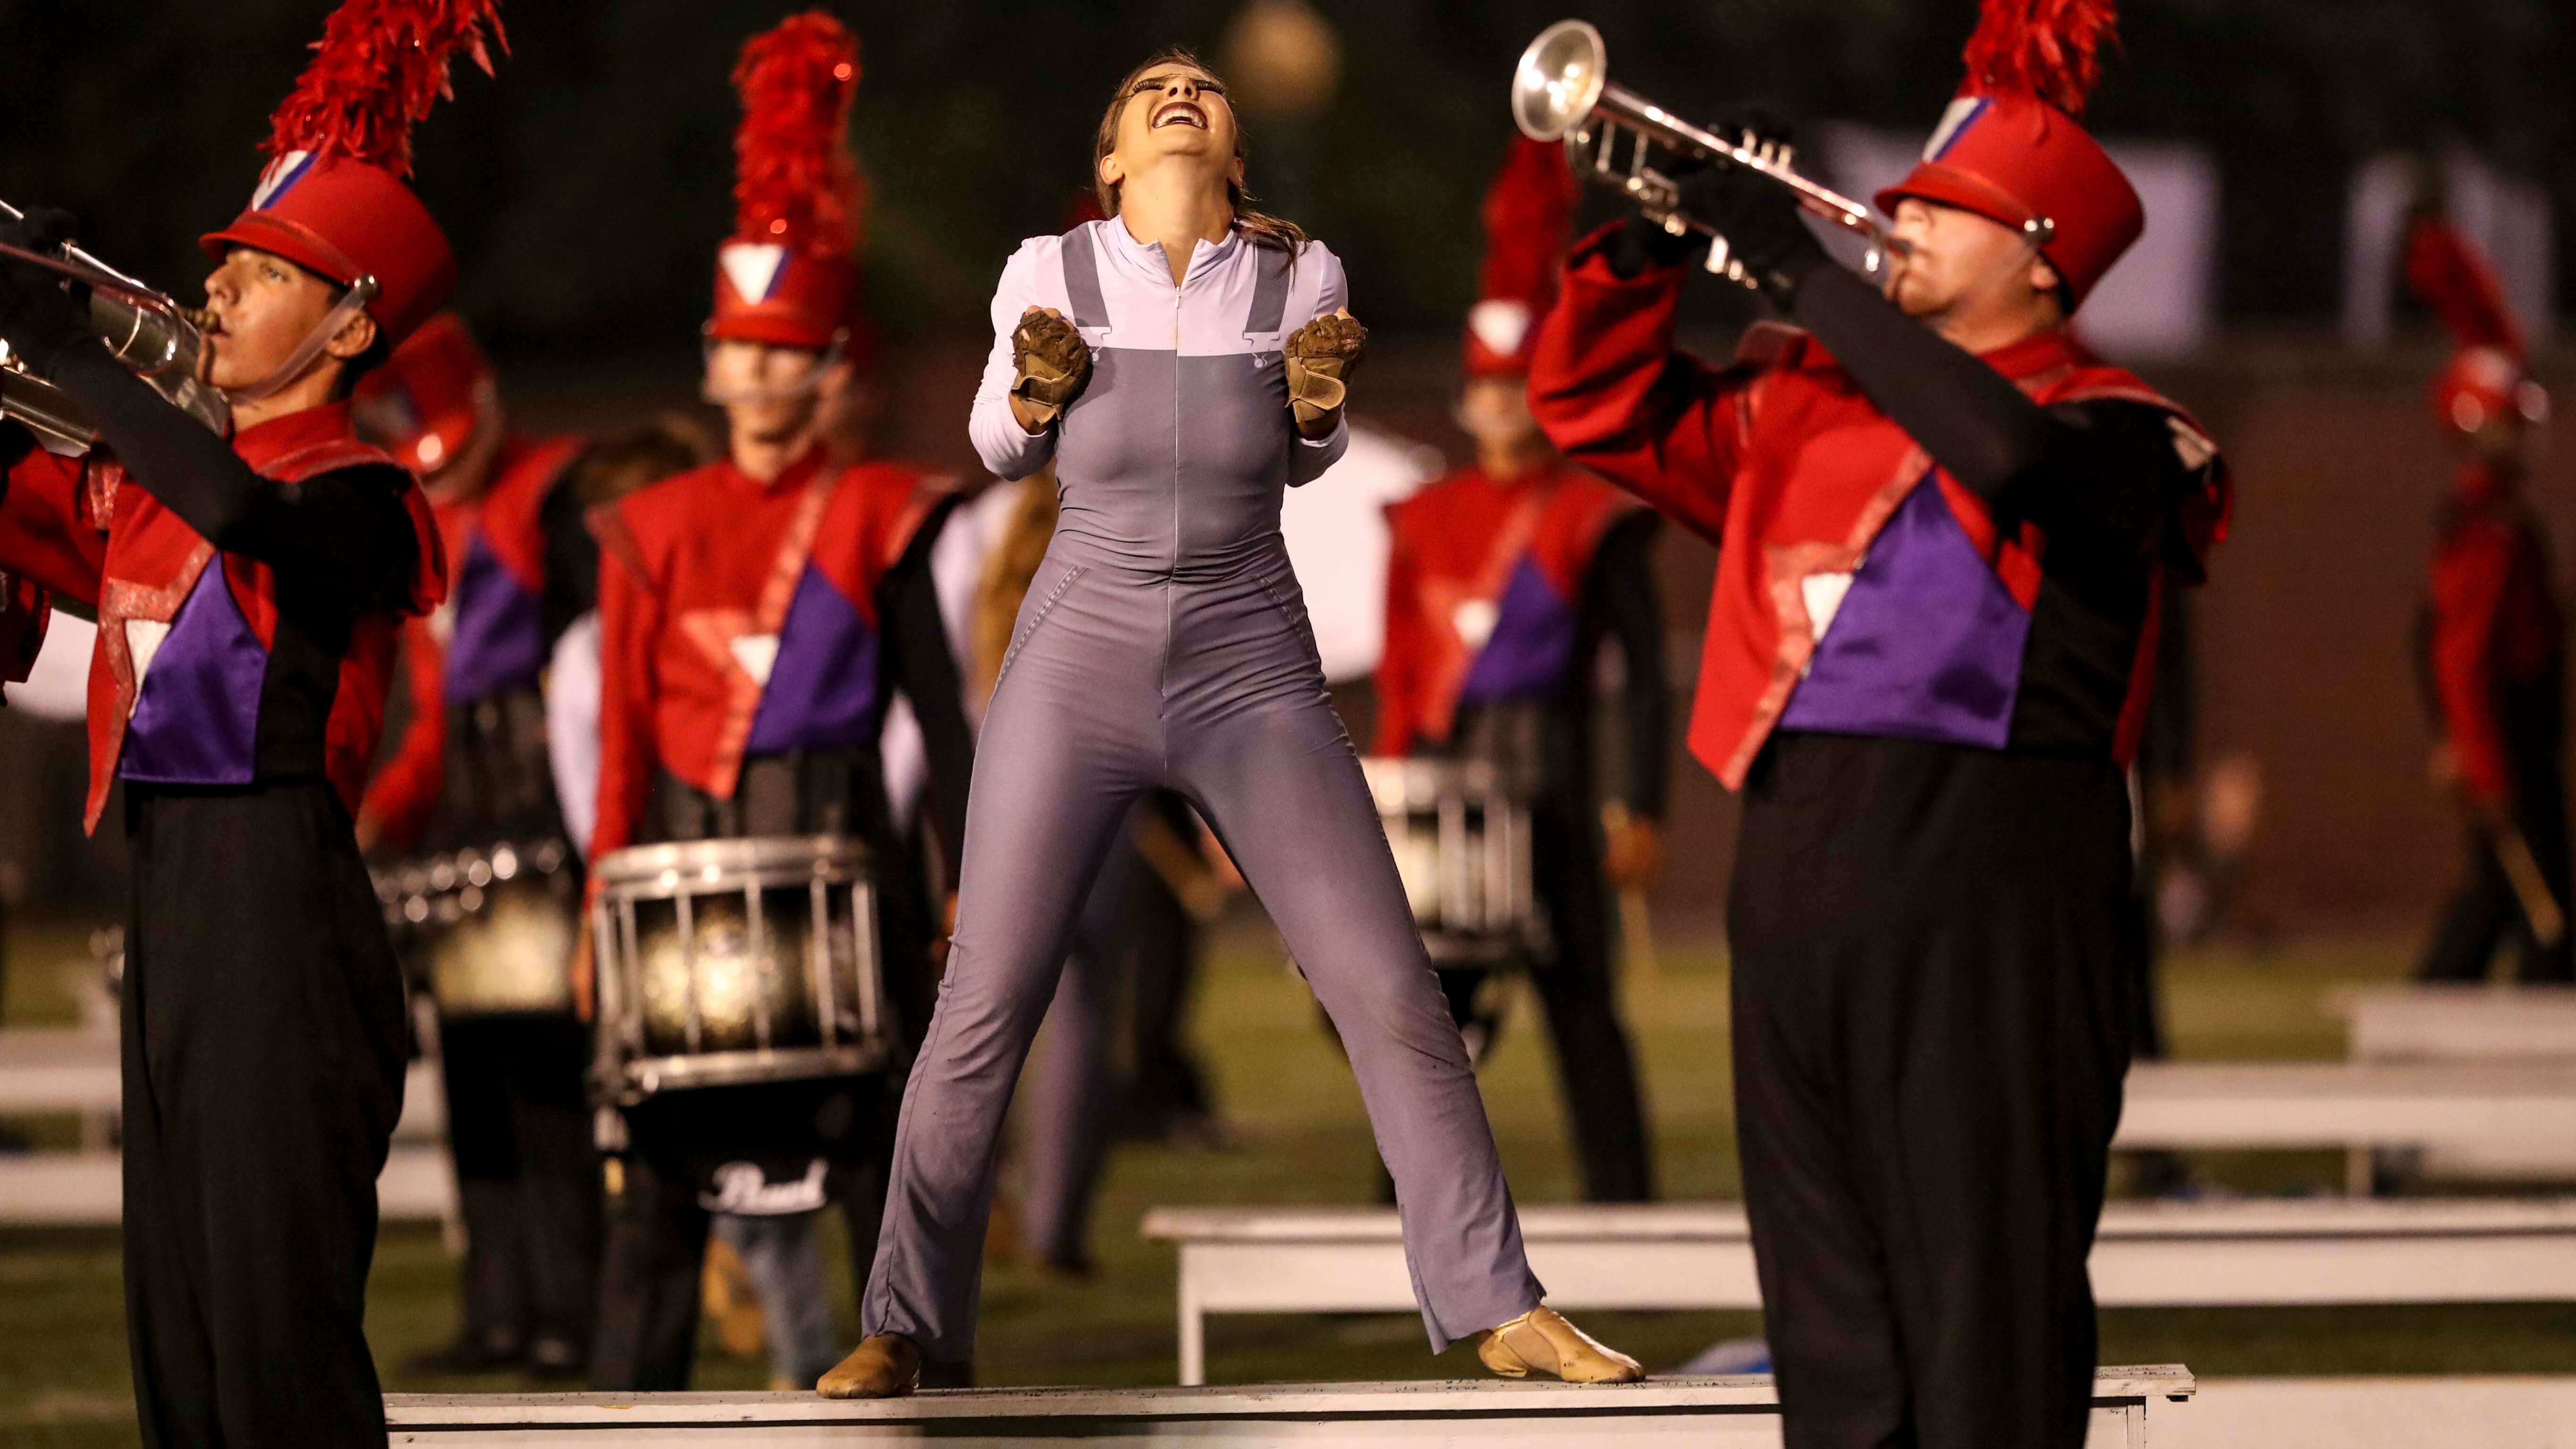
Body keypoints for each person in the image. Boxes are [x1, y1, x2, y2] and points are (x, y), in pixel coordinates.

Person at [821, 45, 1642, 1399]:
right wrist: (1035, 388)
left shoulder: (1298, 274)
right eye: (1150, 89)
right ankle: (907, 1321)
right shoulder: (1051, 268)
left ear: (1237, 153)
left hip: (1246, 656)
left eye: (1203, 85)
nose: (1180, 90)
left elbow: (1306, 456)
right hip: (1077, 653)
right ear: (1109, 160)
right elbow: (995, 448)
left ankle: (1501, 1301)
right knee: (985, 992)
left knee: (1389, 980)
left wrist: (1315, 407)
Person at [1524, 0, 2229, 1442]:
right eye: (1894, 202)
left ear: (2040, 254)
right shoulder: (1809, 403)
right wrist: (1653, 252)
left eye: (1940, 210)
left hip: (1991, 903)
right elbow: (1593, 409)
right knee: (1831, 1337)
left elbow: (2011, 451)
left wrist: (1796, 269)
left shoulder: (2131, 430)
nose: (1892, 225)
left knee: (1986, 1323)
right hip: (1795, 899)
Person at [0, 2, 500, 1440]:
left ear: (352, 321)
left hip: (281, 904)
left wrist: (77, 359)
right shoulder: (140, 478)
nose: (210, 290)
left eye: (259, 270)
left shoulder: (363, 492)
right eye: (216, 263)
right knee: (186, 1357)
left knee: (277, 1351)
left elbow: (242, 510)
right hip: (164, 902)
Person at [582, 11, 976, 1392]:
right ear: (710, 363)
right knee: (661, 1183)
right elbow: (627, 737)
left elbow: (944, 715)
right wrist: (598, 921)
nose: (760, 377)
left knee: (883, 1159)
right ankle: (634, 1418)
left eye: (786, 354)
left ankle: (924, 1405)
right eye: (738, 352)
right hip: (683, 862)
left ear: (828, 373)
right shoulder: (647, 523)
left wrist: (967, 892)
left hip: (846, 856)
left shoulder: (881, 511)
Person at [1375, 135, 1666, 1204]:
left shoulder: (1595, 513)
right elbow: (1406, 671)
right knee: (1425, 1015)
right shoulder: (1422, 516)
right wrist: (1397, 796)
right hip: (1448, 783)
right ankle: (1399, 1214)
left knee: (1582, 1003)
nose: (1499, 409)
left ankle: (1625, 1204)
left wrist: (1640, 799)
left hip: (1552, 780)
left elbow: (1637, 671)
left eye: (1517, 387)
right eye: (1484, 389)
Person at [350, 312, 601, 1378]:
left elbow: (579, 678)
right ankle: (497, 1308)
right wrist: (378, 813)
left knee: (546, 1084)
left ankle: (566, 1314)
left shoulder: (554, 498)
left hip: (542, 830)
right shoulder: (429, 530)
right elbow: (435, 719)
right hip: (462, 831)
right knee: (473, 1080)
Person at [2406, 207, 2568, 985]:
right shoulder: (2485, 531)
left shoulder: (2501, 521)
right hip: (2506, 743)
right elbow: (2461, 653)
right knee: (2546, 916)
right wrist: (2486, 766)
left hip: (2517, 739)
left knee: (2504, 899)